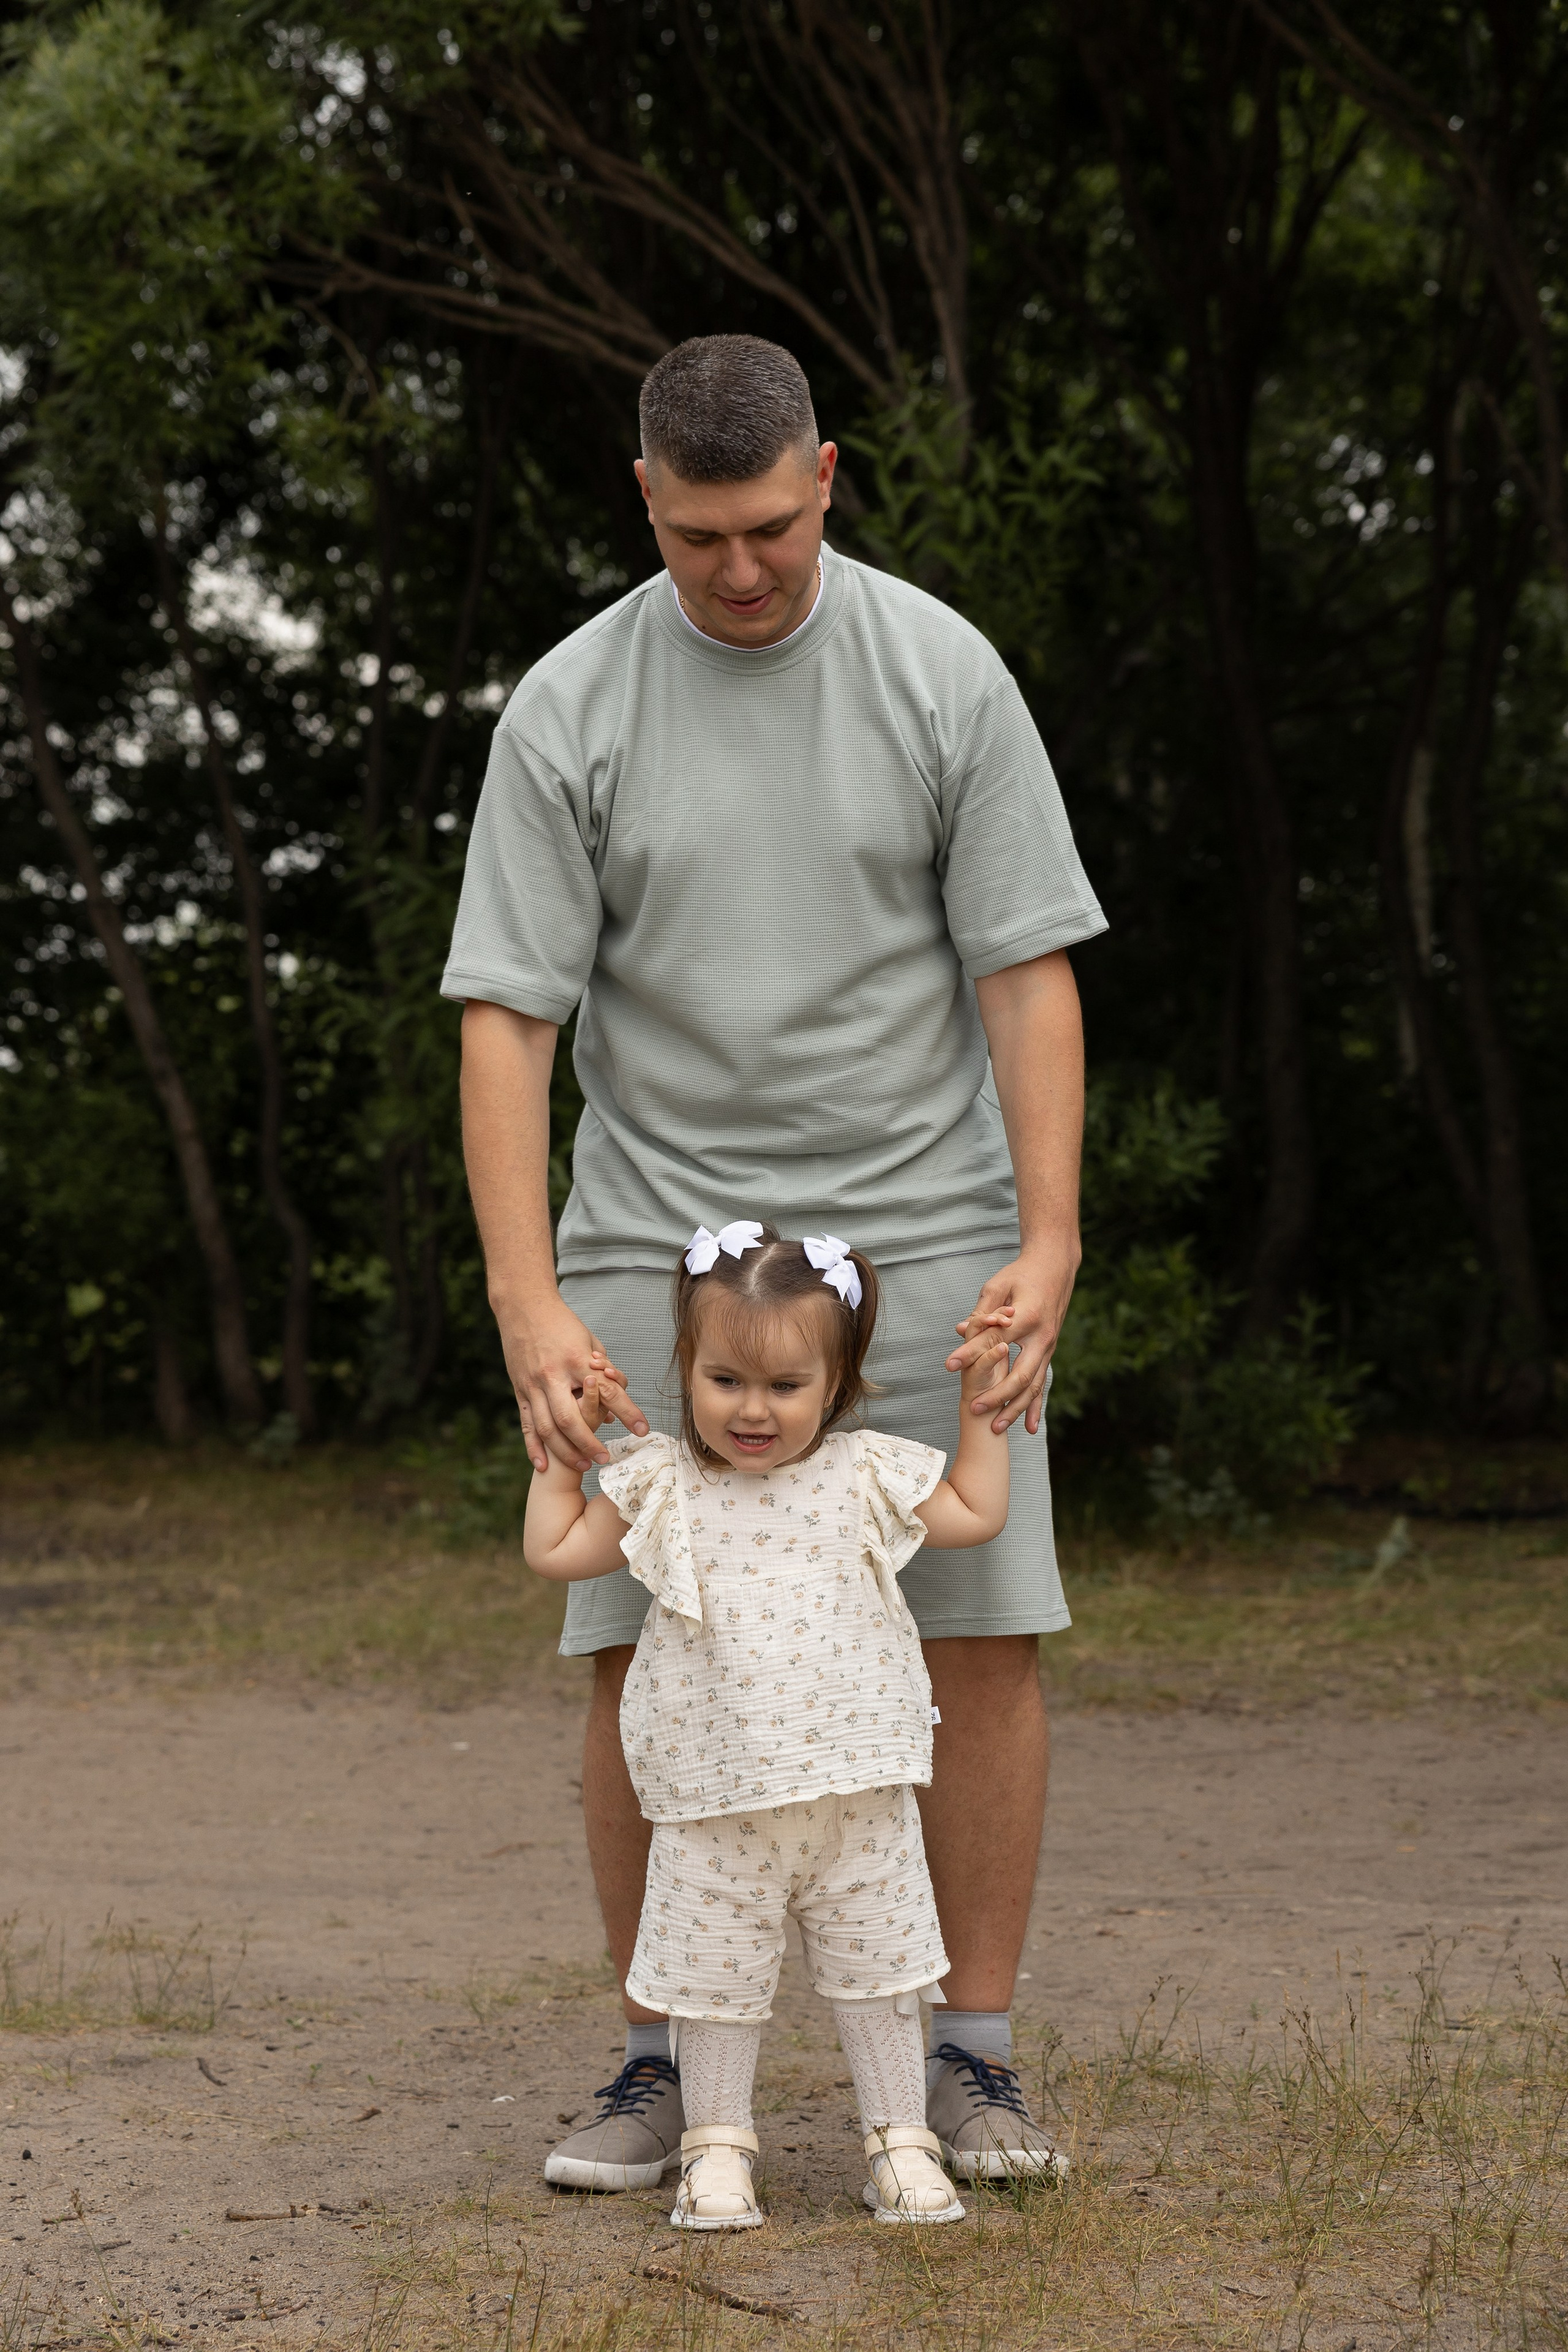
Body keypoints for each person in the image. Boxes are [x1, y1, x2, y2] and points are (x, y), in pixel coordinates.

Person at [445, 333, 1106, 2193]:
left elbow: (1026, 966)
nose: (738, 572)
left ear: (828, 473)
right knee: (638, 1637)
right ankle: (661, 2064)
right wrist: (527, 1298)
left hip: (931, 1232)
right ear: (642, 498)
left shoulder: (939, 670)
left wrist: (1047, 1236)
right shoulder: (570, 709)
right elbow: (507, 1014)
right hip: (657, 1246)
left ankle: (968, 2061)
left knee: (978, 1634)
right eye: (696, 536)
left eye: (768, 528)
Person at [522, 1222, 1044, 2226]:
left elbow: (977, 1512)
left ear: (836, 1382)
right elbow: (555, 1548)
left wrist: (987, 1402)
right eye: (725, 1381)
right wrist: (565, 1445)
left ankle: (901, 2145)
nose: (752, 1410)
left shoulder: (864, 1475)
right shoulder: (658, 1481)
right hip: (712, 1802)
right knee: (715, 1985)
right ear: (687, 1369)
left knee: (883, 1976)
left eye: (784, 1387)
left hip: (860, 1794)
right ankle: (718, 2152)